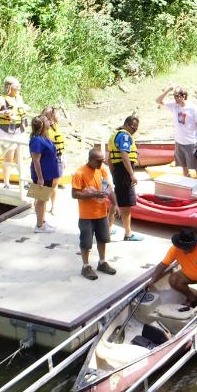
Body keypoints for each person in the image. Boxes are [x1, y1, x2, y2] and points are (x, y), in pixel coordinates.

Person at [147, 227, 197, 306]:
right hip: (187, 274)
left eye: (186, 248)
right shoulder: (175, 249)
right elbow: (163, 265)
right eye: (181, 247)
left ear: (194, 245)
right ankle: (192, 298)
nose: (183, 250)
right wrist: (152, 280)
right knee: (173, 279)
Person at [71, 146, 119, 280]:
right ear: (90, 159)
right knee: (86, 242)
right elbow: (74, 194)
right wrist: (93, 194)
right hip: (86, 215)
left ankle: (102, 262)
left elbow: (109, 188)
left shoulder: (102, 169)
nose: (101, 163)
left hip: (101, 212)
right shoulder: (80, 173)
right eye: (98, 160)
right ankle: (86, 266)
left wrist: (115, 204)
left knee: (103, 239)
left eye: (103, 160)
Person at [155, 84, 197, 179]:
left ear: (183, 96)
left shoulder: (193, 108)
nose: (175, 98)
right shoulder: (174, 106)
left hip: (191, 143)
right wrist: (168, 90)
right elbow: (158, 101)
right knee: (184, 167)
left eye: (177, 96)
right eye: (174, 96)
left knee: (196, 168)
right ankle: (188, 186)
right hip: (179, 143)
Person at [0, 77, 28, 189]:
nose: (19, 87)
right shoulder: (1, 100)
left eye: (19, 85)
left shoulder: (19, 98)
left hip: (19, 130)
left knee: (19, 158)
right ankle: (6, 183)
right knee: (8, 158)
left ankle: (24, 182)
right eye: (16, 86)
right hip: (6, 131)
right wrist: (3, 112)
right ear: (9, 87)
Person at [108, 114, 144, 242]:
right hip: (124, 173)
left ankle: (108, 228)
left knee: (116, 200)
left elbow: (110, 158)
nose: (134, 132)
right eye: (133, 128)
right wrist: (132, 174)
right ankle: (128, 234)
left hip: (118, 172)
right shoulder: (124, 136)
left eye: (136, 130)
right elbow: (124, 154)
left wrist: (113, 173)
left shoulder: (114, 136)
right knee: (127, 204)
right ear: (126, 125)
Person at [28, 115, 58, 233]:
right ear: (41, 124)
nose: (49, 122)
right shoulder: (37, 140)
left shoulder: (46, 137)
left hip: (49, 173)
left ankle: (43, 221)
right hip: (43, 175)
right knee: (41, 199)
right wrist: (40, 178)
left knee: (45, 198)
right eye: (46, 121)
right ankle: (39, 225)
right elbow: (36, 160)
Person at [40, 106, 65, 215]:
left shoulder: (57, 128)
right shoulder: (45, 131)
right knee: (46, 184)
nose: (59, 116)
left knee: (55, 183)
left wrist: (64, 158)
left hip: (59, 157)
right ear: (52, 116)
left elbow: (62, 145)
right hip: (49, 159)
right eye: (57, 114)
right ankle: (40, 204)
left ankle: (53, 206)